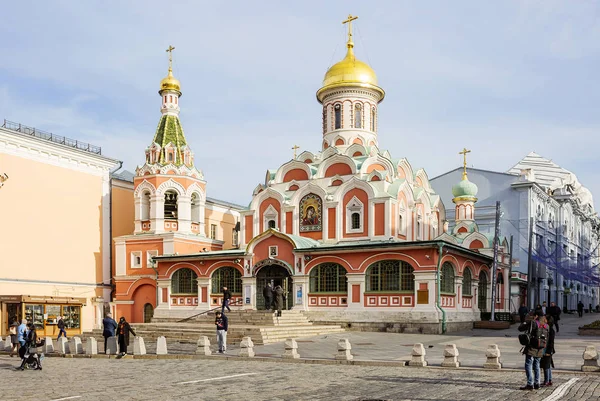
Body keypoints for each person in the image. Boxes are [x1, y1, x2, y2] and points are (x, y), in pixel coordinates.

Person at [518, 310, 548, 391]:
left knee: (528, 364)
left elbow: (520, 328)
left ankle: (530, 383)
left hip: (531, 347)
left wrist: (526, 320)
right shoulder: (546, 325)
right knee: (537, 365)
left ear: (536, 316)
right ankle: (537, 383)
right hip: (540, 348)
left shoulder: (533, 323)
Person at [541, 316, 556, 387]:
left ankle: (547, 380)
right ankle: (549, 380)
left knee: (546, 366)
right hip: (547, 349)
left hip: (548, 350)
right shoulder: (547, 329)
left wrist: (549, 351)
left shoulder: (550, 330)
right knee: (548, 365)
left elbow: (551, 342)